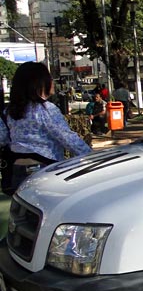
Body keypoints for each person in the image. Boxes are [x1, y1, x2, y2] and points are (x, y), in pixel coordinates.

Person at [0, 62, 91, 194]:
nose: (52, 81)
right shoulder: (46, 109)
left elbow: (2, 139)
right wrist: (91, 157)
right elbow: (67, 138)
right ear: (39, 84)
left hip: (17, 169)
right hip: (45, 169)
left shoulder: (9, 111)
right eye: (49, 78)